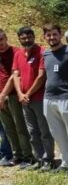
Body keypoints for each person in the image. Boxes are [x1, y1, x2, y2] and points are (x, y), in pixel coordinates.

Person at [10, 27, 55, 170]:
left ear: (34, 37)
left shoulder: (42, 52)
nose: (26, 40)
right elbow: (15, 75)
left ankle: (49, 159)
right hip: (24, 100)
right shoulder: (18, 54)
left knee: (44, 131)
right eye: (23, 38)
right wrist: (20, 94)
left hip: (39, 98)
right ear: (19, 39)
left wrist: (27, 94)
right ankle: (39, 159)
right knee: (32, 131)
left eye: (29, 37)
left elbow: (41, 76)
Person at [0, 29, 33, 168]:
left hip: (13, 95)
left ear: (6, 37)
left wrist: (3, 94)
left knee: (20, 127)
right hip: (0, 97)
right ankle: (16, 155)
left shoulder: (16, 52)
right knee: (8, 128)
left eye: (1, 39)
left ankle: (28, 156)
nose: (0, 43)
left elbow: (14, 76)